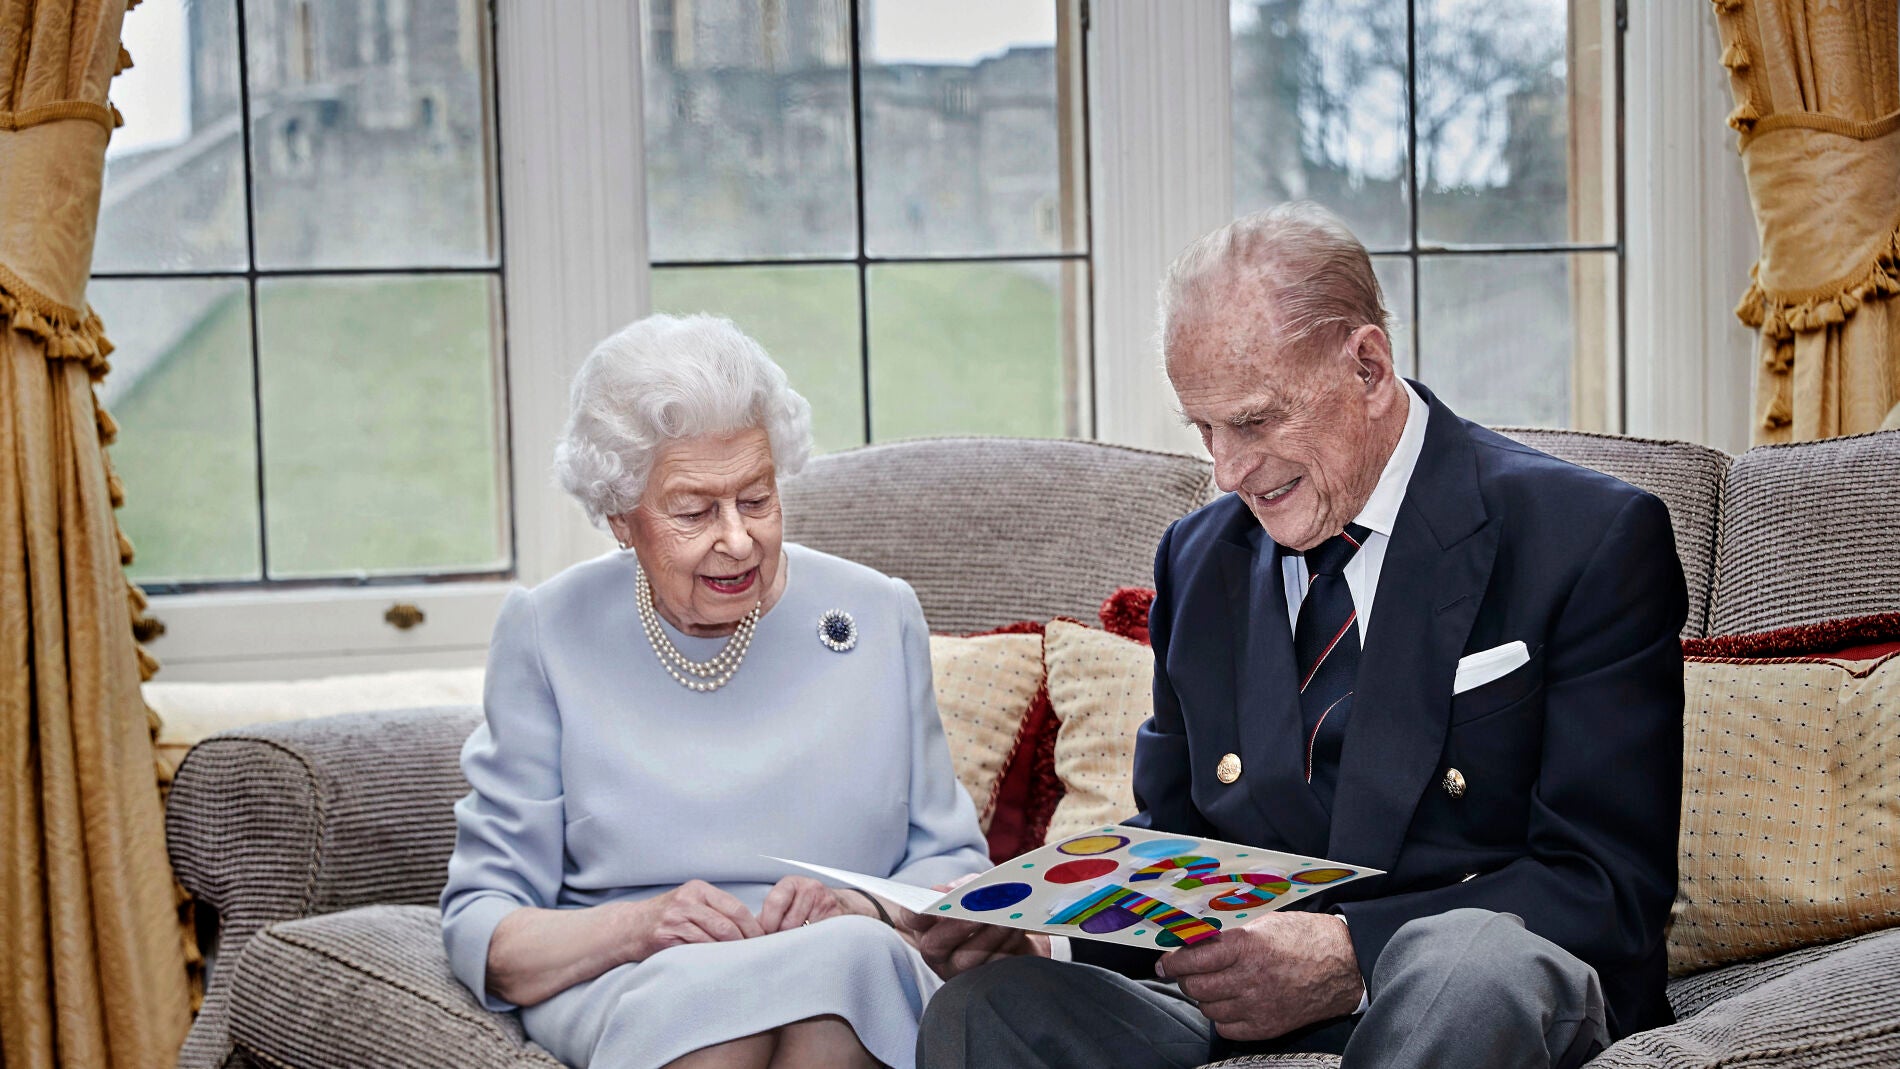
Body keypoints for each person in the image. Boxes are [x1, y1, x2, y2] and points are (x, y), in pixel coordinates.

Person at [912, 203, 1687, 1069]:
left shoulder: (1586, 536)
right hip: (1237, 1011)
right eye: (1204, 429)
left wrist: (1352, 952)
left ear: (1368, 367)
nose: (1227, 472)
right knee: (988, 1009)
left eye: (1253, 422)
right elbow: (1177, 843)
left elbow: (1607, 883)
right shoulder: (1197, 558)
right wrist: (1042, 932)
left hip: (1479, 995)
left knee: (1465, 967)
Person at [441, 313, 990, 1069]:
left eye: (756, 499)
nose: (737, 539)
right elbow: (486, 927)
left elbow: (949, 867)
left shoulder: (877, 613)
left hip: (848, 956)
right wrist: (640, 927)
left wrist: (857, 905)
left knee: (846, 969)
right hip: (637, 972)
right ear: (620, 518)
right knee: (716, 1016)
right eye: (695, 511)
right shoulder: (548, 630)